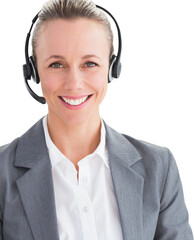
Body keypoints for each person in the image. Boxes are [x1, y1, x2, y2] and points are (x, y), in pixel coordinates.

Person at [0, 0, 193, 239]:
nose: (74, 83)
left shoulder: (159, 168)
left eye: (90, 63)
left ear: (112, 69)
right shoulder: (2, 173)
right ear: (34, 71)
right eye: (56, 64)